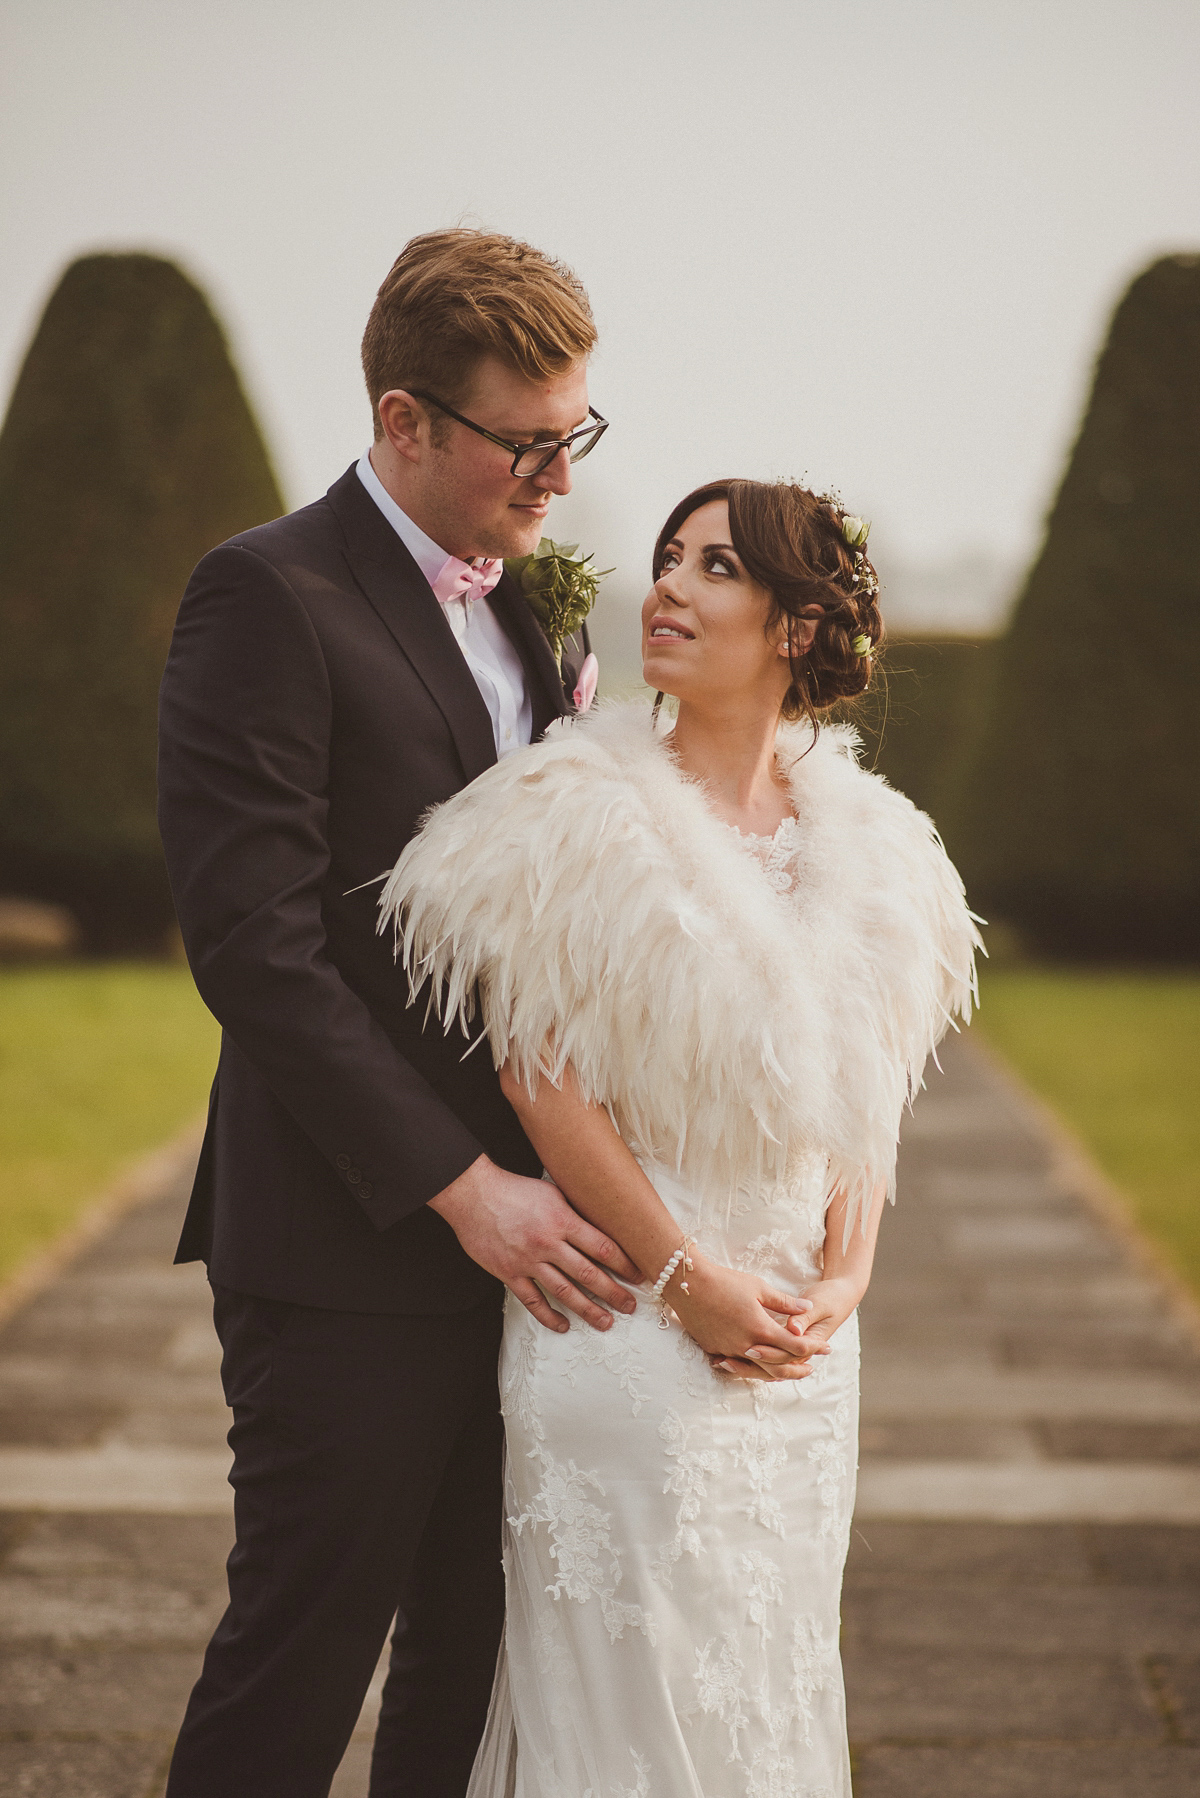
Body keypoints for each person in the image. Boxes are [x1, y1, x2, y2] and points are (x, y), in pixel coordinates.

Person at [383, 479, 981, 1796]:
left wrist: (848, 1276)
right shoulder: (573, 808)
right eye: (665, 560)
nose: (666, 586)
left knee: (769, 1682)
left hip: (809, 1350)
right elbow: (545, 1085)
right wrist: (684, 1277)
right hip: (626, 1316)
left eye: (713, 566)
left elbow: (865, 1092)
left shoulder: (876, 846)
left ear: (795, 625)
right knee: (627, 1703)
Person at [157, 229, 643, 1798]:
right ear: (403, 419)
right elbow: (255, 943)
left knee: (478, 1675)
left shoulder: (537, 611)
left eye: (575, 433)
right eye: (525, 440)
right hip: (346, 1243)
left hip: (540, 1244)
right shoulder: (266, 594)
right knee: (297, 1667)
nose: (556, 474)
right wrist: (466, 1188)